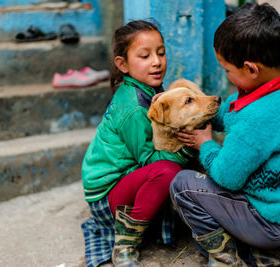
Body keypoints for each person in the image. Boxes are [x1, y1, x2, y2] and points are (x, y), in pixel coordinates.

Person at [170, 3, 280, 266]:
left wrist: (205, 144)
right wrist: (207, 113)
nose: (228, 77)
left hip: (266, 221)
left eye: (227, 71)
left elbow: (226, 177)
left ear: (251, 69)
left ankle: (229, 256)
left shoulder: (256, 123)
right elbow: (234, 112)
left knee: (182, 185)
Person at [81, 20, 195, 267]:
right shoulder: (134, 108)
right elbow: (149, 159)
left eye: (161, 53)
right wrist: (185, 150)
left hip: (126, 181)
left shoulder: (149, 89)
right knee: (168, 170)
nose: (156, 61)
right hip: (106, 195)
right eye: (145, 56)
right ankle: (125, 243)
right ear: (122, 64)